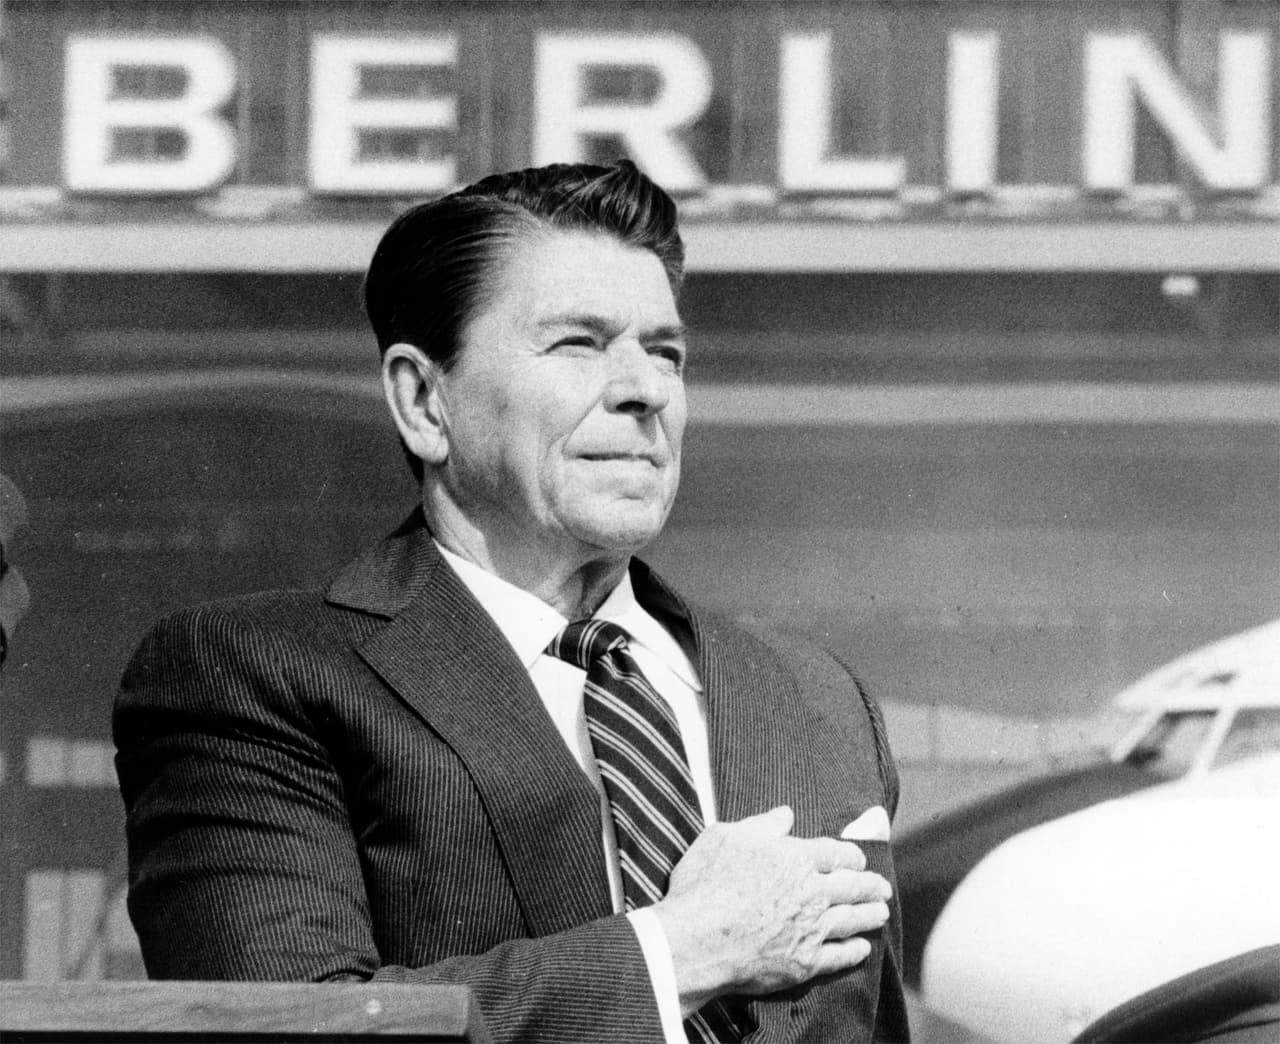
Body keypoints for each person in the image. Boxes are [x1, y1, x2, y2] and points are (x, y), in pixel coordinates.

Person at [114, 161, 909, 1043]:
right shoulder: (255, 673)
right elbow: (283, 1029)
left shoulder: (818, 697)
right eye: (577, 343)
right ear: (425, 402)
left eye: (665, 352)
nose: (646, 389)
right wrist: (680, 953)